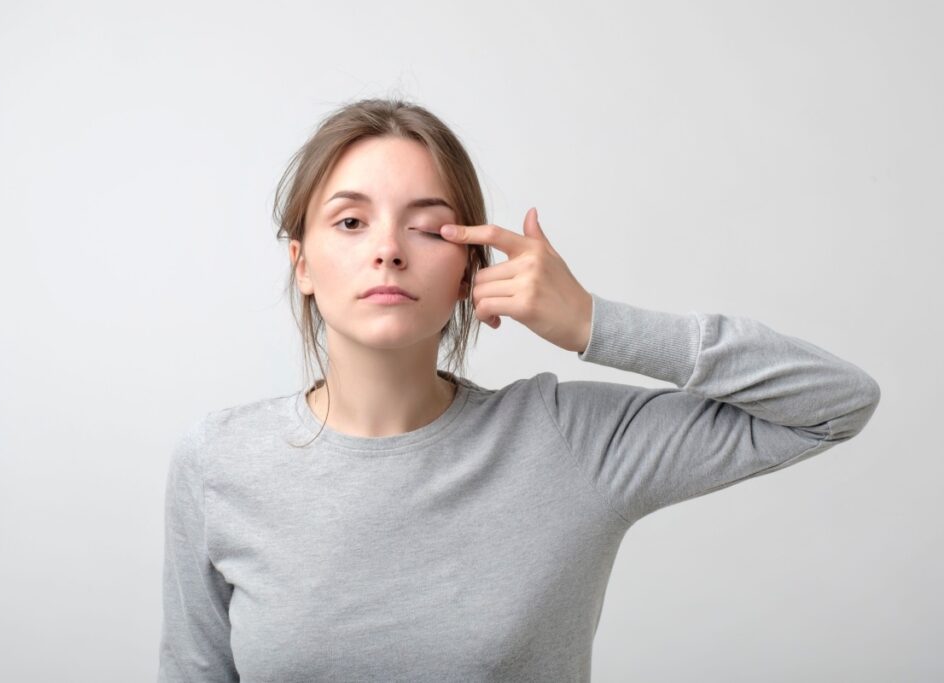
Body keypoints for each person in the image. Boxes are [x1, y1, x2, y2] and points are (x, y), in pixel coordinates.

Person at [157, 98, 881, 682]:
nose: (388, 248)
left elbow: (834, 402)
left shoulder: (566, 442)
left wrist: (595, 322)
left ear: (472, 267)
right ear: (303, 262)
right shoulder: (219, 460)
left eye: (428, 227)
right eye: (350, 222)